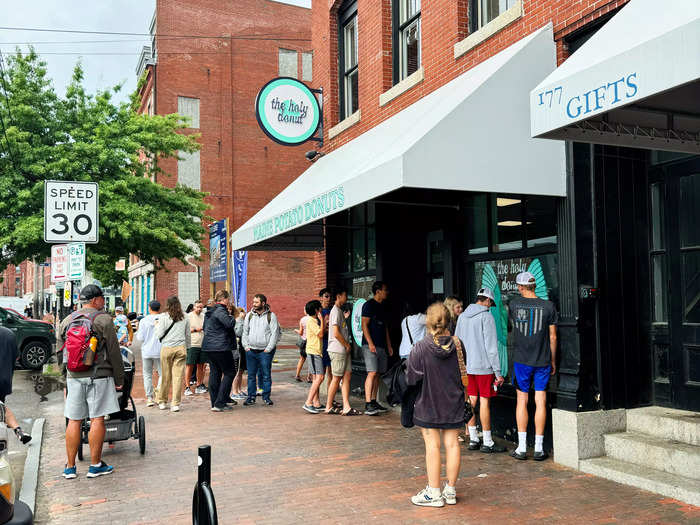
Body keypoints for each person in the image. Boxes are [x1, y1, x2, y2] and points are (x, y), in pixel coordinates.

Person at [59, 284, 124, 479]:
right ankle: (95, 465)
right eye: (102, 298)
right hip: (99, 375)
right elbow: (114, 351)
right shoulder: (103, 319)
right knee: (97, 418)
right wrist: (119, 378)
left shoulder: (67, 320)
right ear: (95, 300)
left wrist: (65, 380)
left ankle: (70, 468)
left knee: (74, 419)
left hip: (74, 376)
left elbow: (60, 351)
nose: (103, 302)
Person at [406, 302, 466, 507]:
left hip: (428, 402)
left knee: (432, 446)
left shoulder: (421, 348)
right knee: (452, 444)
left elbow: (411, 379)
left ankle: (433, 492)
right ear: (449, 321)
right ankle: (450, 490)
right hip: (453, 402)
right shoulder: (458, 344)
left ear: (428, 322)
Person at [509, 271, 558, 461]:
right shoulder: (548, 306)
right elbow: (553, 337)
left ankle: (521, 448)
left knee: (521, 401)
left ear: (521, 287)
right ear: (534, 285)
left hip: (521, 360)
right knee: (540, 401)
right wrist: (552, 360)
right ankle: (538, 448)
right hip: (542, 360)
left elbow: (512, 329)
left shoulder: (514, 305)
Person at [455, 287, 506, 453]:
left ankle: (473, 438)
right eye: (491, 303)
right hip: (484, 367)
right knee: (485, 401)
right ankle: (488, 441)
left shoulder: (462, 317)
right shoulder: (486, 316)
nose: (491, 306)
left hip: (468, 366)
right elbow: (491, 347)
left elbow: (456, 342)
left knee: (471, 400)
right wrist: (498, 373)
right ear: (487, 301)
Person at [202, 290, 238, 412]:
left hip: (209, 346)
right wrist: (233, 317)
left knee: (215, 373)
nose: (229, 302)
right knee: (230, 372)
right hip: (221, 347)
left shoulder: (210, 312)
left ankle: (215, 402)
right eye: (228, 299)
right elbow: (228, 324)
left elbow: (205, 328)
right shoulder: (221, 310)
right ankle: (220, 402)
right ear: (224, 299)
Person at [325, 288, 360, 415]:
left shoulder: (339, 311)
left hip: (344, 350)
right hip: (338, 349)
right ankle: (328, 406)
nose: (347, 297)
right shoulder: (335, 311)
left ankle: (346, 406)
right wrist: (346, 345)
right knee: (337, 377)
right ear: (339, 296)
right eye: (345, 295)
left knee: (347, 376)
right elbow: (335, 333)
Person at [361, 281, 394, 416]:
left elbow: (385, 327)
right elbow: (364, 325)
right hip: (370, 345)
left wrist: (389, 345)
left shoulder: (383, 307)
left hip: (381, 345)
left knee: (378, 374)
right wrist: (370, 343)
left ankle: (374, 401)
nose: (387, 292)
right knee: (372, 372)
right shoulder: (368, 305)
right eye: (385, 289)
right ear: (378, 291)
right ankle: (368, 403)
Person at [241, 294, 279, 407]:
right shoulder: (249, 316)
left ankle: (266, 397)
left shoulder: (271, 316)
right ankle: (251, 397)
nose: (254, 304)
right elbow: (245, 332)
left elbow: (274, 333)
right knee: (251, 375)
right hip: (251, 351)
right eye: (253, 302)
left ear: (263, 303)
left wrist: (268, 349)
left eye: (256, 302)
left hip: (265, 352)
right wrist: (246, 347)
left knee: (266, 375)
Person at [155, 296, 190, 412]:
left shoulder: (163, 317)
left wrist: (156, 327)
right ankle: (175, 404)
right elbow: (187, 334)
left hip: (167, 348)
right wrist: (188, 347)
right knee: (178, 377)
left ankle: (162, 401)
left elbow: (159, 335)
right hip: (181, 348)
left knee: (165, 376)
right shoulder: (185, 316)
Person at [0, 326, 31, 443]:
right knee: (1, 407)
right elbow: (16, 357)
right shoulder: (9, 334)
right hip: (5, 381)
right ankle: (17, 430)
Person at [135, 300, 163, 407]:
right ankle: (159, 393)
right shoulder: (163, 319)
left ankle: (149, 397)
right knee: (162, 374)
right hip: (160, 349)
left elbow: (140, 338)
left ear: (149, 308)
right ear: (159, 308)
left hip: (146, 351)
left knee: (147, 374)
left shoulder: (143, 321)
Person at [302, 300, 324, 413]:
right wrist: (323, 320)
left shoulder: (313, 320)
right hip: (314, 352)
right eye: (320, 307)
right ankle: (308, 402)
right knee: (320, 377)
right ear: (316, 310)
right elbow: (320, 334)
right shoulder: (312, 321)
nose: (322, 308)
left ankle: (316, 402)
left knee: (316, 378)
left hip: (314, 351)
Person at [185, 299, 207, 396]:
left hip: (202, 344)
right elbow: (185, 330)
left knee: (201, 366)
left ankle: (199, 385)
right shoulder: (188, 316)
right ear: (194, 307)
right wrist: (195, 330)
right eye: (197, 307)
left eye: (201, 307)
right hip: (192, 344)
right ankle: (187, 386)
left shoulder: (204, 316)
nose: (199, 309)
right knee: (190, 365)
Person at [230, 306, 248, 400]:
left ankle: (239, 390)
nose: (243, 314)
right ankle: (234, 391)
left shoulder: (243, 321)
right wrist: (240, 320)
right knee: (236, 371)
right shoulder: (236, 321)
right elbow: (239, 333)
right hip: (237, 348)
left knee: (241, 371)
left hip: (242, 347)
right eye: (241, 312)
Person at [319, 288, 333, 392]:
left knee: (331, 372)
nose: (328, 299)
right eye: (326, 296)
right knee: (321, 374)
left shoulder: (333, 310)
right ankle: (314, 400)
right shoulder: (319, 312)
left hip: (332, 344)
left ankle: (330, 398)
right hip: (322, 344)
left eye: (330, 297)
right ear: (321, 298)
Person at [293, 308, 309, 382]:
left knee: (302, 358)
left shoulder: (302, 319)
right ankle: (309, 377)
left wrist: (296, 330)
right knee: (311, 360)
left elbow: (301, 333)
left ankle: (297, 375)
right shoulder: (314, 319)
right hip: (311, 342)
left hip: (303, 342)